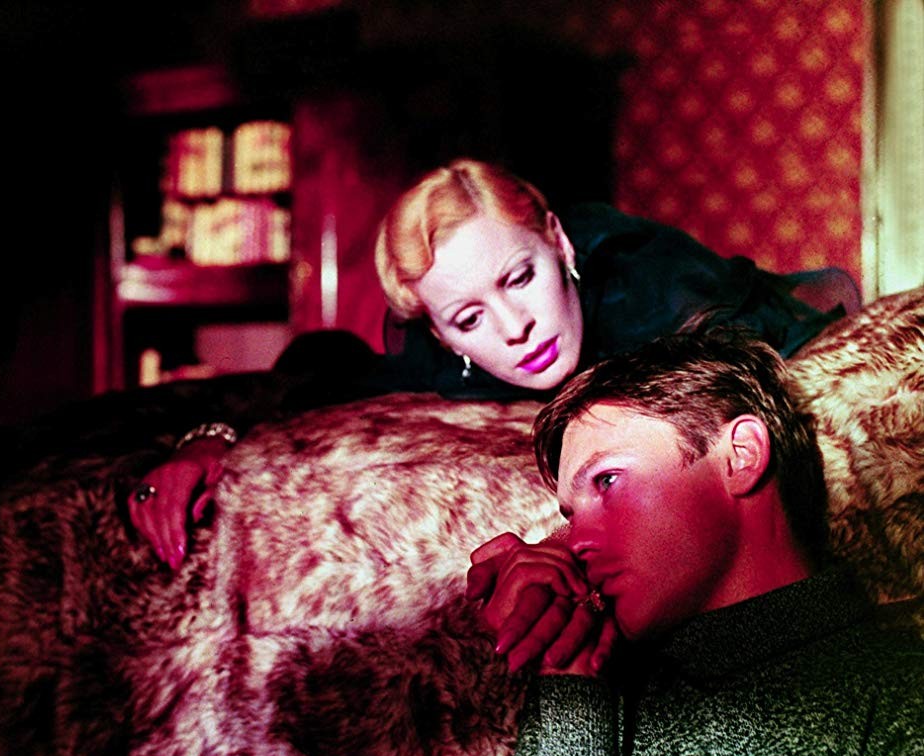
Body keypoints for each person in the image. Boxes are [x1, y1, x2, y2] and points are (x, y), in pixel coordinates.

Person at [446, 327, 924, 756]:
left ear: (741, 455)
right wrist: (569, 676)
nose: (573, 542)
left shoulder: (897, 704)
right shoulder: (607, 702)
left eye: (608, 481)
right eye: (569, 514)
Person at [128, 159, 851, 569]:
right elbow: (326, 374)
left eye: (520, 278)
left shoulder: (646, 288)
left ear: (558, 244)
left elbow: (740, 364)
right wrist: (208, 442)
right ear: (443, 336)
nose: (516, 328)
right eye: (470, 318)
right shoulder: (445, 361)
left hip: (756, 297)